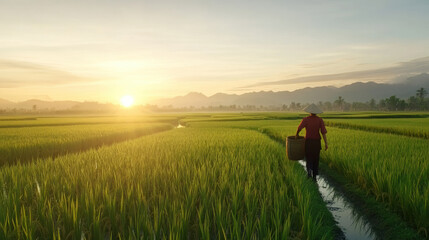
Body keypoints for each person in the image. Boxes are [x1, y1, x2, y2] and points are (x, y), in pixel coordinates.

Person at [295, 104, 328, 181]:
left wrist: (296, 134)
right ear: (316, 112)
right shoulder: (320, 120)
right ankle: (314, 176)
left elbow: (299, 128)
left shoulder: (306, 119)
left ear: (309, 112)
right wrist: (326, 143)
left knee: (308, 158)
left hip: (308, 142)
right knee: (316, 159)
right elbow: (323, 132)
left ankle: (309, 173)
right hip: (317, 143)